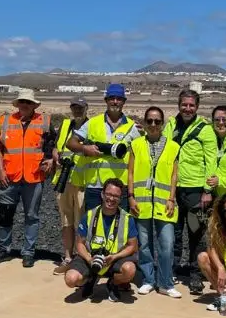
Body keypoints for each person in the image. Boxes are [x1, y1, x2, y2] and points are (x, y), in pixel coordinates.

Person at [163, 88, 217, 294]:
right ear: (179, 105)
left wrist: (207, 190)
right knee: (174, 233)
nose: (187, 108)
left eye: (191, 105)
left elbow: (211, 159)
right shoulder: (170, 126)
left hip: (196, 191)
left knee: (196, 234)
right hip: (174, 190)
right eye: (184, 105)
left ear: (197, 107)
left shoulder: (205, 129)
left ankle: (195, 275)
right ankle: (173, 270)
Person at [0, 88, 55, 268]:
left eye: (28, 103)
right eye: (22, 102)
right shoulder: (5, 121)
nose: (25, 105)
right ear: (17, 103)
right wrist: (1, 171)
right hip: (9, 176)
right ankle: (4, 249)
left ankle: (28, 252)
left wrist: (50, 159)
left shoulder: (44, 121)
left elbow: (52, 145)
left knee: (32, 216)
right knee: (5, 214)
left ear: (34, 105)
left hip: (34, 177)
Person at [127, 106, 181, 298]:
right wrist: (131, 196)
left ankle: (165, 282)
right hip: (141, 203)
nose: (153, 125)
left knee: (167, 243)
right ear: (144, 123)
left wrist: (171, 198)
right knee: (144, 244)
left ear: (162, 123)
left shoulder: (173, 146)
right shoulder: (136, 145)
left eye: (157, 121)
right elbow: (131, 173)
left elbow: (174, 176)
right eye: (149, 121)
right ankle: (149, 280)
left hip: (164, 203)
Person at [67, 83, 140, 212]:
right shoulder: (93, 123)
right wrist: (85, 149)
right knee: (92, 225)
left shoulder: (133, 127)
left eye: (119, 99)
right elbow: (71, 143)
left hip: (119, 186)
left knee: (119, 226)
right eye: (112, 98)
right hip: (96, 186)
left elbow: (139, 156)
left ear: (124, 102)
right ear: (106, 101)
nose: (115, 102)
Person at [64, 178, 139, 302]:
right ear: (102, 194)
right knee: (70, 279)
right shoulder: (89, 215)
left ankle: (113, 283)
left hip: (115, 259)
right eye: (108, 194)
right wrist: (89, 259)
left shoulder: (127, 219)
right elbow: (79, 244)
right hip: (90, 257)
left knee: (130, 269)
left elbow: (133, 246)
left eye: (116, 196)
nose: (111, 199)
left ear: (120, 199)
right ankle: (89, 279)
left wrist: (115, 257)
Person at [52, 96, 90, 274]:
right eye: (75, 107)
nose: (77, 111)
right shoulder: (65, 126)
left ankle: (81, 259)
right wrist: (55, 157)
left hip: (82, 181)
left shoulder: (91, 127)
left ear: (86, 108)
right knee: (66, 221)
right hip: (63, 180)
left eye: (80, 108)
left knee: (80, 222)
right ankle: (67, 257)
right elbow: (56, 147)